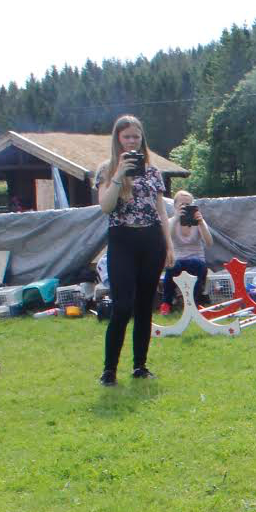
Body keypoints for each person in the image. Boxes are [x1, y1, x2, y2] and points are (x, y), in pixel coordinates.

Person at [95, 114, 172, 385]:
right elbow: (105, 207)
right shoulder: (107, 169)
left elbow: (161, 210)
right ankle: (109, 370)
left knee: (143, 307)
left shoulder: (153, 171)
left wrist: (169, 244)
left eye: (136, 137)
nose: (132, 142)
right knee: (122, 306)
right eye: (127, 137)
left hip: (151, 241)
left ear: (142, 139)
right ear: (118, 139)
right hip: (122, 240)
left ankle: (140, 365)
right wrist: (119, 175)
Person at [161, 190, 213, 312]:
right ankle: (167, 302)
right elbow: (165, 238)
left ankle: (194, 302)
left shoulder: (198, 221)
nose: (185, 207)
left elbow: (209, 243)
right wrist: (176, 219)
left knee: (197, 265)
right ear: (175, 206)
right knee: (172, 266)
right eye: (182, 205)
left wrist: (201, 223)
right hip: (178, 259)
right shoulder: (171, 221)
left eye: (188, 205)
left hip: (196, 258)